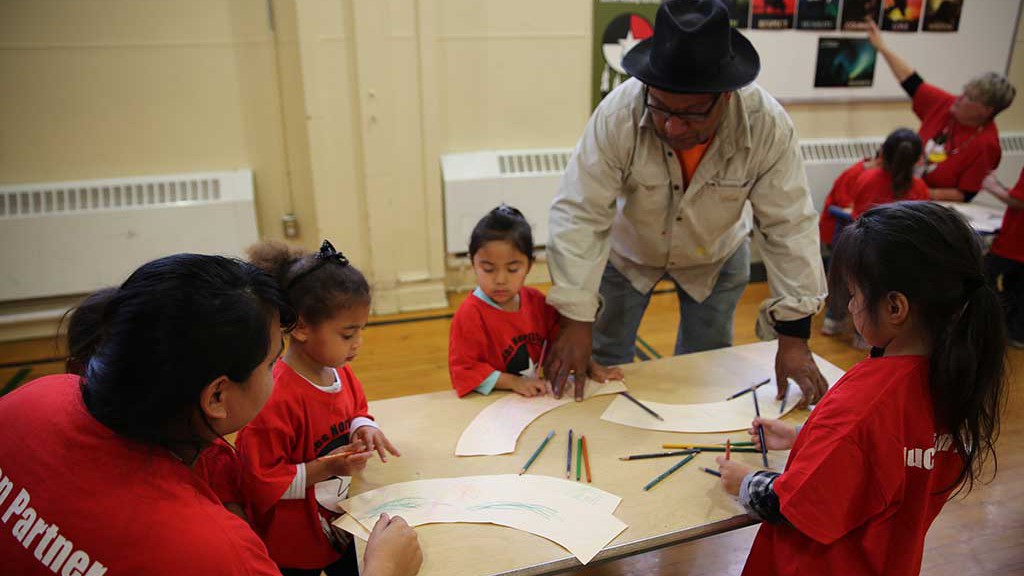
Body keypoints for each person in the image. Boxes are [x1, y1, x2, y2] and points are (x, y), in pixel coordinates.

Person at [0, 254, 422, 576]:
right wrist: (383, 570)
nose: (279, 372)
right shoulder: (219, 554)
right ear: (218, 396)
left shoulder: (29, 400)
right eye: (273, 361)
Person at [545, 0, 829, 407]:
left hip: (716, 254)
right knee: (602, 366)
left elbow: (789, 225)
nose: (673, 126)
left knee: (705, 370)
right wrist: (574, 317)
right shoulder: (617, 114)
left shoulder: (767, 124)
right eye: (660, 108)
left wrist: (795, 335)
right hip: (628, 256)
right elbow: (579, 212)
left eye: (693, 113)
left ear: (727, 96)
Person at [715, 202, 1007, 575]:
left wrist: (745, 482)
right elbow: (891, 453)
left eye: (853, 294)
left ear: (895, 307)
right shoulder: (955, 379)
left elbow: (793, 506)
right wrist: (805, 437)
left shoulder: (865, 399)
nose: (850, 305)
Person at [237, 240, 402, 576]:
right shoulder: (274, 397)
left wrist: (363, 427)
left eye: (361, 331)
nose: (358, 343)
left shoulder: (338, 369)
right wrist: (327, 468)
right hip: (292, 541)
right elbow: (261, 480)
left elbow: (356, 408)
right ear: (300, 327)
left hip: (338, 518)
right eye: (347, 334)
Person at [448, 206, 622, 398]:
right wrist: (514, 382)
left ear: (529, 265)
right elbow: (464, 370)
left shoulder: (537, 301)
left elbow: (565, 342)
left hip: (535, 400)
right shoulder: (469, 314)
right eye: (488, 269)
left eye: (513, 269)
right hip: (495, 404)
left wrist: (590, 366)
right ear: (473, 263)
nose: (500, 280)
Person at [868, 18, 1016, 202]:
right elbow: (910, 80)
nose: (960, 98)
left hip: (930, 204)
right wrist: (882, 47)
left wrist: (917, 193)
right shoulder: (948, 104)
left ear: (985, 110)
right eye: (964, 91)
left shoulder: (987, 144)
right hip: (903, 192)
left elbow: (965, 194)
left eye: (969, 97)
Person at [980, 168, 1024, 347]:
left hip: (1015, 242)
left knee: (983, 279)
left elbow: (1019, 201)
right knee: (1017, 288)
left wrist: (992, 187)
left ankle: (988, 329)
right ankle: (1016, 332)